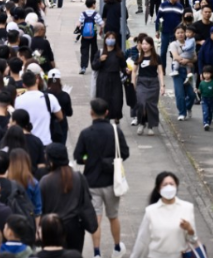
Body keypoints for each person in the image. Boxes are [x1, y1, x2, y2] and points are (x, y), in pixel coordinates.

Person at [73, 98, 129, 258]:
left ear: (91, 113)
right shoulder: (115, 131)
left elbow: (78, 157)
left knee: (96, 217)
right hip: (112, 181)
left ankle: (97, 252)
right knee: (113, 216)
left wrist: (87, 157)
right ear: (107, 112)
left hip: (91, 181)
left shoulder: (86, 133)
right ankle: (117, 247)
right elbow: (125, 153)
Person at [40, 143, 98, 252]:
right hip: (75, 227)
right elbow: (85, 200)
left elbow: (41, 207)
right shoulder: (78, 177)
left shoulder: (45, 181)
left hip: (52, 228)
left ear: (50, 160)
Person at [132, 171, 199, 258]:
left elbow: (193, 240)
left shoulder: (187, 208)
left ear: (176, 186)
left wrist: (190, 229)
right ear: (158, 189)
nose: (169, 187)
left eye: (171, 184)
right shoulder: (151, 211)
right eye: (165, 184)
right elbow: (142, 240)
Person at [14, 71, 63, 146]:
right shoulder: (49, 98)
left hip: (26, 142)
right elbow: (60, 117)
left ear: (23, 85)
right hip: (45, 141)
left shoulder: (18, 100)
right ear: (37, 80)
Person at [92, 31, 128, 122]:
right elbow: (94, 66)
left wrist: (126, 70)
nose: (110, 40)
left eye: (113, 38)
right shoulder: (101, 52)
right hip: (103, 79)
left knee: (117, 99)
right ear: (105, 40)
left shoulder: (119, 53)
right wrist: (100, 60)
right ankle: (104, 117)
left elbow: (123, 66)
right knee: (104, 99)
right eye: (109, 38)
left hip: (115, 78)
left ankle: (116, 117)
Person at [169, 26, 198, 121]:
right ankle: (182, 112)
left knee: (192, 94)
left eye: (182, 32)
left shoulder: (190, 42)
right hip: (177, 70)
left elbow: (195, 57)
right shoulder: (173, 44)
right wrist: (185, 61)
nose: (180, 34)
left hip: (188, 71)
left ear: (185, 33)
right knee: (179, 93)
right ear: (175, 34)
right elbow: (175, 56)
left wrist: (189, 61)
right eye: (178, 33)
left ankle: (187, 107)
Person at [156, 0, 184, 70]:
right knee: (163, 52)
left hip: (176, 34)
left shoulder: (180, 6)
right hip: (165, 32)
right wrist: (157, 30)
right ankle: (162, 69)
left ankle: (174, 68)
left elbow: (182, 20)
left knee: (174, 52)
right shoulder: (163, 5)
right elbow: (158, 18)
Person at [78, 0, 104, 74]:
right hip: (93, 34)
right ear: (93, 5)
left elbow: (79, 23)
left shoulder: (83, 14)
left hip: (84, 35)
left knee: (84, 50)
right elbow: (102, 24)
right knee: (94, 50)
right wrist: (101, 29)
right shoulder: (96, 14)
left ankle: (83, 67)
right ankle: (93, 65)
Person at [46, 69, 72, 144]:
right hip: (61, 125)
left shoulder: (44, 94)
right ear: (59, 80)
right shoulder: (65, 95)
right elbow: (69, 113)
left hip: (48, 124)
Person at [199, 65, 213, 131]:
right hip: (204, 99)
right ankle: (205, 123)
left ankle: (208, 122)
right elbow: (200, 90)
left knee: (210, 112)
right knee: (205, 111)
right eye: (204, 73)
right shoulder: (202, 83)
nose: (206, 75)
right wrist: (197, 91)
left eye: (208, 73)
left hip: (212, 99)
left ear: (211, 74)